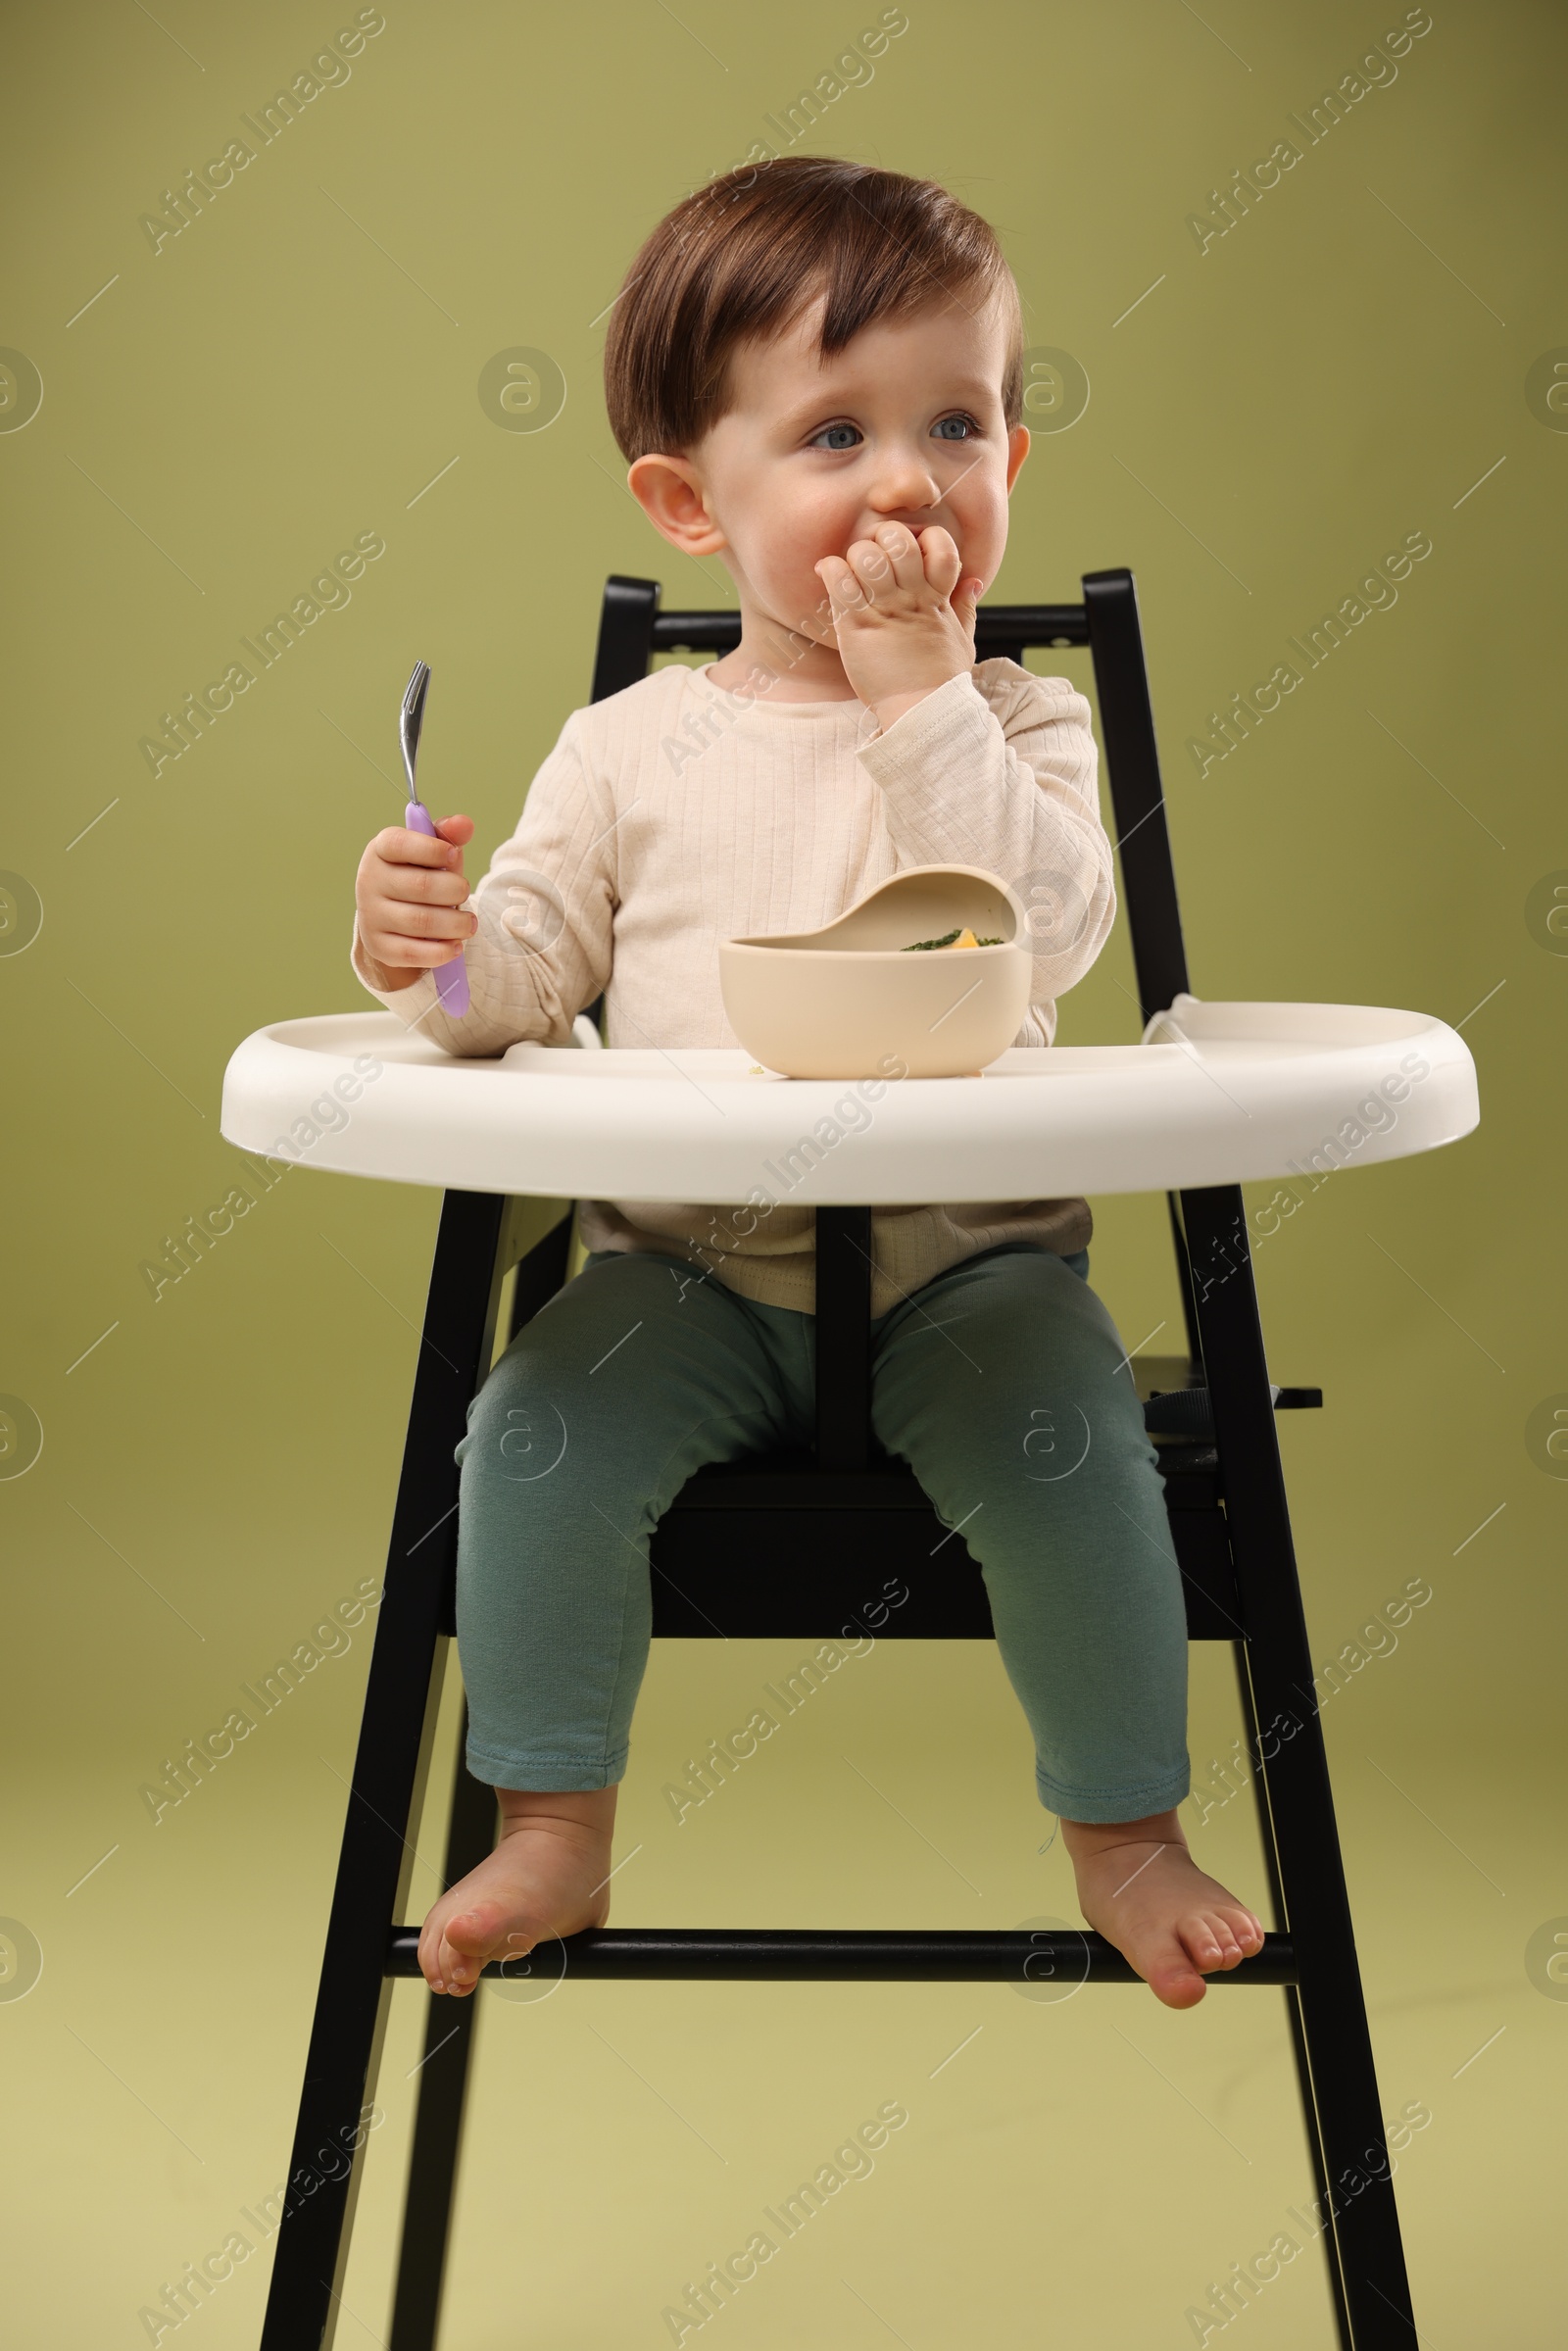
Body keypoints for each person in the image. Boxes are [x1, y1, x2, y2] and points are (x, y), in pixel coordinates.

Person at [351, 156, 1264, 2008]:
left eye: (957, 423)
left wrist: (925, 693)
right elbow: (527, 976)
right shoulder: (628, 746)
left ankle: (1128, 1834)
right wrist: (434, 944)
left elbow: (1058, 928)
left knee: (1078, 1456)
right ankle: (551, 1822)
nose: (911, 480)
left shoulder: (1017, 722)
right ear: (697, 501)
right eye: (837, 434)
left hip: (970, 1270)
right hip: (686, 1269)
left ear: (1015, 454)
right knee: (523, 1440)